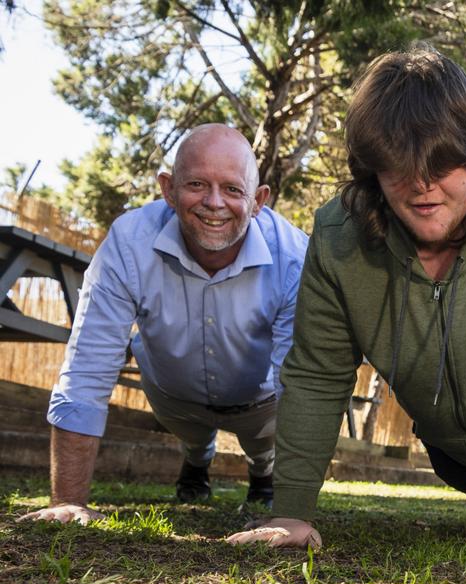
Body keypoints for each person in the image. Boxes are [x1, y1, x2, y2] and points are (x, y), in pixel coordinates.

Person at [225, 46, 466, 570]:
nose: (423, 185)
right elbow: (317, 376)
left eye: (442, 162)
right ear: (372, 170)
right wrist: (291, 513)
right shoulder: (339, 237)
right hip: (452, 447)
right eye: (400, 166)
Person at [20, 124, 307, 525]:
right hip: (173, 395)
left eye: (232, 189)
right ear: (168, 189)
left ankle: (262, 474)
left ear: (258, 201)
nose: (213, 203)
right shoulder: (128, 243)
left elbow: (296, 385)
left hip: (259, 402)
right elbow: (87, 367)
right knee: (194, 438)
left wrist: (291, 516)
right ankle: (196, 461)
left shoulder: (294, 258)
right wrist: (67, 500)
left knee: (262, 448)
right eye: (196, 184)